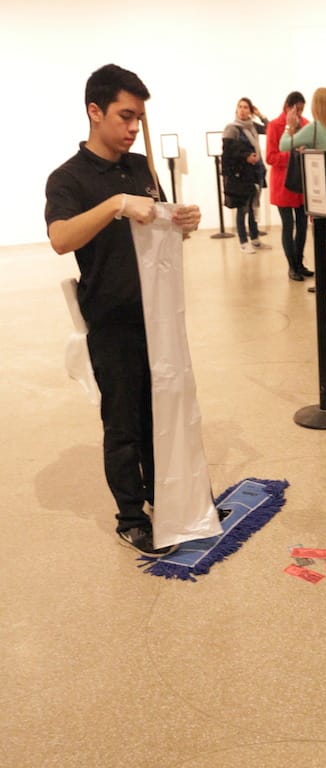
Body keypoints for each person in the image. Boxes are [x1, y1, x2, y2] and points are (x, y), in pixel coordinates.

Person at [44, 63, 201, 556]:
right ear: (95, 111)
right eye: (125, 116)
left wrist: (184, 219)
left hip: (157, 316)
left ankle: (163, 495)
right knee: (123, 423)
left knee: (162, 409)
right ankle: (130, 517)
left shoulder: (140, 168)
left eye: (139, 119)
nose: (134, 128)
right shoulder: (68, 178)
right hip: (111, 321)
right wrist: (115, 203)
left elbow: (158, 223)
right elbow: (60, 238)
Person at [280, 87, 326, 293]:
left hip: (323, 187)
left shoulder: (315, 128)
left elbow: (285, 145)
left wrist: (289, 127)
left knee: (323, 233)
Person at [266, 91, 313, 281]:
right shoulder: (275, 126)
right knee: (288, 225)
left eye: (302, 110)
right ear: (287, 107)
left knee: (302, 226)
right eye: (297, 109)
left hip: (301, 185)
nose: (300, 114)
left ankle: (299, 263)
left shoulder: (306, 125)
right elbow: (271, 157)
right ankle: (292, 266)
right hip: (283, 185)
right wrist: (293, 154)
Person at [222, 97, 269, 254]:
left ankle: (254, 238)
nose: (242, 110)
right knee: (242, 208)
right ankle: (243, 241)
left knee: (253, 206)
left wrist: (260, 115)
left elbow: (269, 130)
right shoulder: (232, 128)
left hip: (255, 172)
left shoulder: (252, 126)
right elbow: (228, 151)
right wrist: (246, 156)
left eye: (246, 107)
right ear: (236, 109)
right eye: (240, 107)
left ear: (250, 111)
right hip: (241, 175)